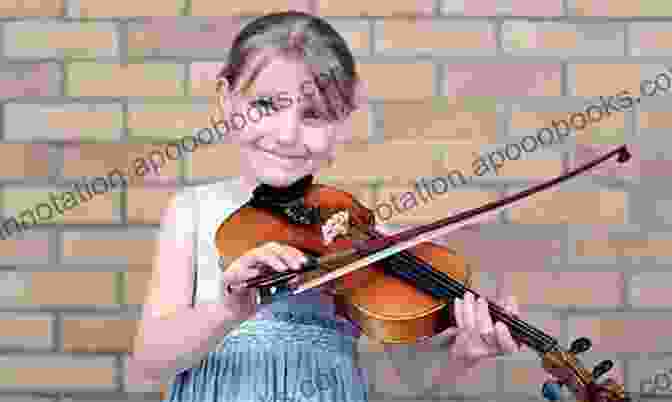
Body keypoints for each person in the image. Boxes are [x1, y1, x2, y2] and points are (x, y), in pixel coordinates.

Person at [128, 10, 522, 402]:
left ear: (343, 123)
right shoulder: (194, 211)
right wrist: (228, 310)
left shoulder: (360, 239)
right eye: (266, 105)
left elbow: (396, 387)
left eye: (313, 114)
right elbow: (147, 368)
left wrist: (460, 357)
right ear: (227, 101)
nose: (287, 134)